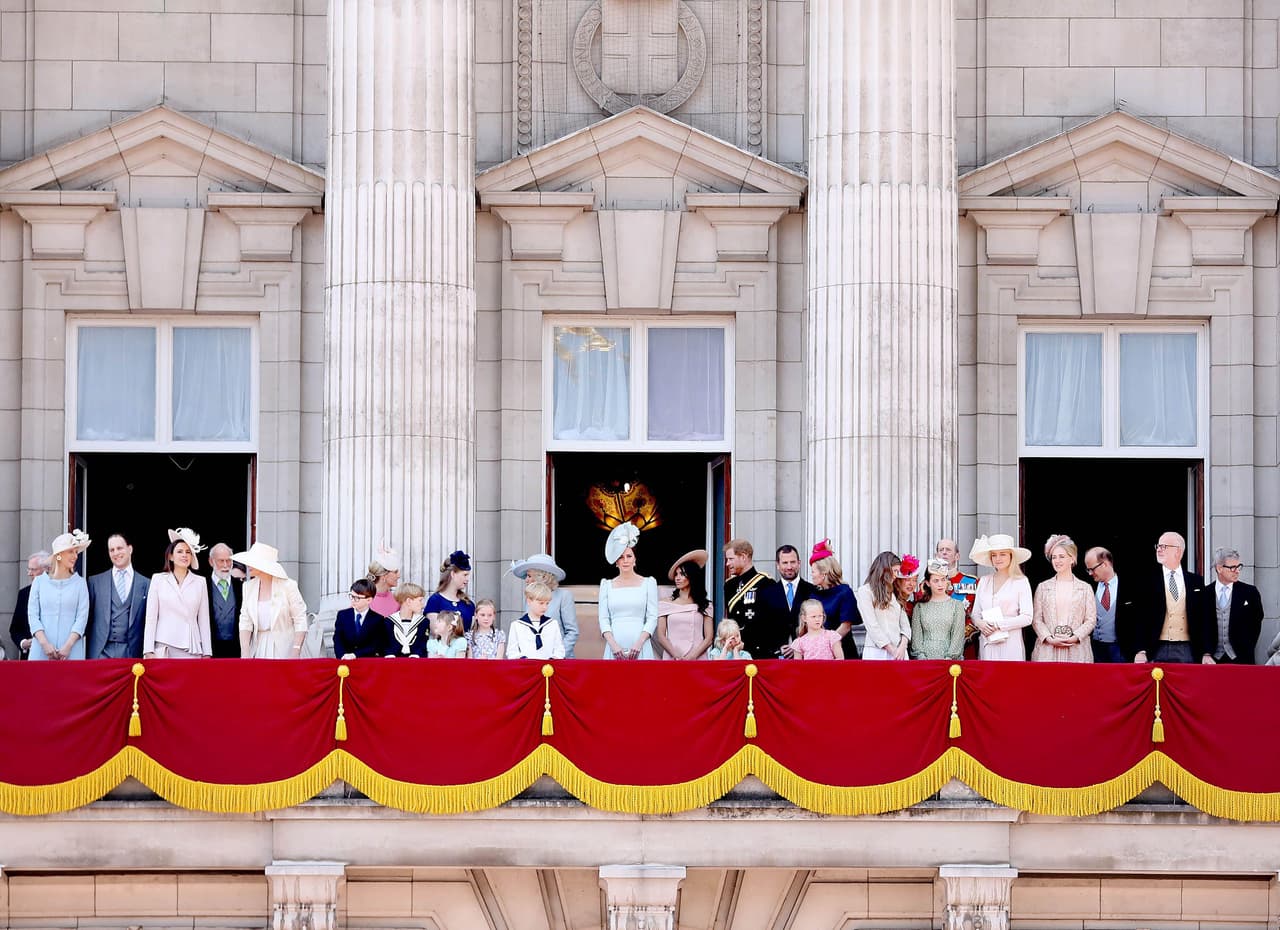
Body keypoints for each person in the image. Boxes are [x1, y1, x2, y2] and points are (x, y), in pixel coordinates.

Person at [1133, 531, 1213, 665]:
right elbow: (1139, 618)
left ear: (1178, 551)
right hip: (1156, 648)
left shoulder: (1196, 581)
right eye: (1158, 546)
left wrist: (1206, 652)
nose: (1159, 549)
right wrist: (1140, 650)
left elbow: (1204, 618)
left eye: (1164, 546)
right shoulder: (1147, 581)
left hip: (1187, 649)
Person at [144, 528, 212, 659]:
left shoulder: (200, 582)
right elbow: (151, 618)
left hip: (191, 646)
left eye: (188, 552)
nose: (184, 555)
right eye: (180, 551)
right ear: (170, 556)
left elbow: (204, 620)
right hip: (164, 645)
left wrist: (207, 652)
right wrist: (148, 650)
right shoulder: (158, 579)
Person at [235, 542, 309, 659]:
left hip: (286, 649)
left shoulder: (288, 585)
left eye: (253, 561)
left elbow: (300, 619)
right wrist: (245, 652)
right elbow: (245, 621)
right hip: (258, 649)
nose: (248, 565)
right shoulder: (248, 587)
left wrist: (296, 650)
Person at [1030, 534, 1096, 663]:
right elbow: (1037, 619)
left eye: (1062, 556)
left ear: (1072, 559)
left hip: (1077, 651)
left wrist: (1075, 637)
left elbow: (1091, 619)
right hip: (1047, 651)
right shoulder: (1043, 587)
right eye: (1054, 557)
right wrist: (1048, 638)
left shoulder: (1085, 588)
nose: (1057, 561)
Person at [28, 531, 91, 661]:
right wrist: (44, 644)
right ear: (58, 556)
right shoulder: (39, 582)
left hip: (71, 651)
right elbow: (33, 616)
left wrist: (68, 646)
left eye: (76, 552)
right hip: (41, 651)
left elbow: (82, 618)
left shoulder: (80, 583)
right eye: (71, 552)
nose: (75, 556)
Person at [599, 523, 658, 660]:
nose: (625, 561)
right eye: (621, 557)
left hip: (641, 645)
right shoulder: (606, 585)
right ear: (616, 561)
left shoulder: (649, 583)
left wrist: (639, 643)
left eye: (629, 556)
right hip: (614, 647)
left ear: (635, 559)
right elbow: (603, 619)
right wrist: (614, 646)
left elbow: (652, 617)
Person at [969, 534, 1033, 661]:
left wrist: (999, 625)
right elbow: (975, 614)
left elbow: (1027, 617)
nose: (998, 558)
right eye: (994, 555)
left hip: (1011, 644)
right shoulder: (984, 581)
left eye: (1002, 554)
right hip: (988, 642)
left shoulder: (1021, 581)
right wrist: (981, 624)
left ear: (1011, 556)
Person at [86, 533, 149, 659]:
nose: (115, 553)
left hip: (132, 653)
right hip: (101, 652)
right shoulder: (95, 582)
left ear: (130, 549)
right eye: (111, 550)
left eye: (119, 548)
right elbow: (87, 619)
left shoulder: (147, 583)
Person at [510, 553, 578, 657]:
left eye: (529, 576)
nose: (526, 580)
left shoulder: (563, 596)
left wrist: (556, 656)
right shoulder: (530, 598)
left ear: (542, 576)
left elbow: (572, 632)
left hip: (559, 661)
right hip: (534, 660)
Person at [756, 545, 818, 658]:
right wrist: (777, 648)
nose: (789, 567)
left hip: (808, 657)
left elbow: (818, 624)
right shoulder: (766, 594)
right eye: (785, 563)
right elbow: (762, 628)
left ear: (799, 563)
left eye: (793, 562)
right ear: (778, 565)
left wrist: (798, 645)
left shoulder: (812, 591)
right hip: (776, 658)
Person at [1208, 546, 1264, 664]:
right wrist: (1205, 652)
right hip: (1212, 660)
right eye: (1233, 567)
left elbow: (1256, 622)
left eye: (1239, 567)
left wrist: (1247, 647)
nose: (1237, 571)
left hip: (1242, 659)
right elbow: (1200, 627)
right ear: (1219, 568)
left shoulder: (1250, 592)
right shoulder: (1205, 593)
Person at [656, 550, 714, 661]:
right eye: (676, 574)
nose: (677, 578)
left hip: (698, 658)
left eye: (682, 574)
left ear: (692, 576)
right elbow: (661, 636)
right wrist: (676, 655)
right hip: (672, 657)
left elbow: (709, 638)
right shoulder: (665, 603)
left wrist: (693, 656)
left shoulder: (705, 604)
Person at [854, 551, 911, 661]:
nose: (896, 575)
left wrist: (902, 647)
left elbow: (905, 626)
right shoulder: (865, 591)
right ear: (884, 569)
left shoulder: (896, 591)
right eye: (894, 571)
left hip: (899, 651)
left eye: (897, 571)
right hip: (876, 652)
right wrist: (891, 649)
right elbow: (871, 625)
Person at [809, 539, 861, 659]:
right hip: (818, 653)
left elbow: (846, 626)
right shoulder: (814, 594)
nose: (812, 575)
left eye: (813, 571)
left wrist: (826, 644)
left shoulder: (844, 592)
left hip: (842, 651)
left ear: (824, 573)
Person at [723, 539, 774, 657]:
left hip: (759, 650)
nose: (727, 564)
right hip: (735, 650)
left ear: (744, 557)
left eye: (731, 559)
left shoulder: (765, 582)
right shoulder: (729, 585)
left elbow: (771, 621)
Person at [910, 558, 967, 660]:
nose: (940, 584)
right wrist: (922, 658)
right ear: (928, 583)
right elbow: (916, 638)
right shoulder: (919, 607)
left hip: (950, 662)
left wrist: (949, 658)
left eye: (943, 579)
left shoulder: (957, 606)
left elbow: (957, 637)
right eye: (936, 581)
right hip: (925, 662)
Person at [1083, 546, 1132, 663]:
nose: (1090, 573)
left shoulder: (1130, 585)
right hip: (1096, 651)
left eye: (1092, 569)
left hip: (1121, 651)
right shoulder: (1087, 587)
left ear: (1104, 564)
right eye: (1088, 570)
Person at [508, 581, 566, 660]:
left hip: (548, 668)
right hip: (526, 668)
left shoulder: (552, 624)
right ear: (529, 601)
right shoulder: (517, 625)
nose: (545, 607)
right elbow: (512, 652)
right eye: (541, 603)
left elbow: (559, 649)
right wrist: (524, 660)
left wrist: (554, 659)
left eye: (547, 603)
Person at [205, 542, 243, 658]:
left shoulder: (241, 586)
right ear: (211, 561)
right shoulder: (203, 585)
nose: (226, 565)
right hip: (210, 650)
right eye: (221, 561)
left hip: (236, 650)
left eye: (229, 560)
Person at [333, 578, 387, 659]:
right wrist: (342, 655)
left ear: (369, 600)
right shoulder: (342, 615)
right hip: (344, 661)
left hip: (367, 662)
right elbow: (337, 639)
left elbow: (376, 645)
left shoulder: (377, 619)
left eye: (357, 598)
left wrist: (355, 655)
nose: (353, 600)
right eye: (351, 596)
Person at [10, 550, 49, 659]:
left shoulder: (57, 592)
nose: (29, 573)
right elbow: (15, 629)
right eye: (29, 569)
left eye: (33, 569)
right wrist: (23, 643)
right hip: (29, 657)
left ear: (46, 570)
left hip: (53, 655)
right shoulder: (24, 594)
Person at [426, 550, 475, 631]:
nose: (467, 579)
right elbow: (436, 632)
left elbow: (472, 633)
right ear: (453, 574)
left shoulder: (468, 604)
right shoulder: (435, 601)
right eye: (465, 575)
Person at [383, 583, 429, 658]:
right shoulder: (388, 622)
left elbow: (423, 645)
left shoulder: (423, 622)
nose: (423, 605)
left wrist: (417, 654)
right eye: (420, 600)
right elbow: (385, 645)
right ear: (409, 601)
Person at [366, 543, 402, 619]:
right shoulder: (363, 600)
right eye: (395, 572)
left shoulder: (397, 600)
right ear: (384, 577)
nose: (399, 576)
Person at [894, 554, 922, 619]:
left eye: (914, 580)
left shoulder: (917, 598)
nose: (911, 584)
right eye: (907, 580)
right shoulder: (892, 598)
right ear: (898, 581)